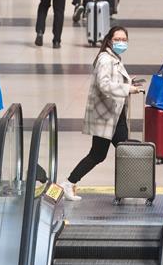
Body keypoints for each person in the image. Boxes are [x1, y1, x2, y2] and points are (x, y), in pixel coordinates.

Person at [59, 27, 143, 200]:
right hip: (107, 116)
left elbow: (111, 81)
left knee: (115, 152)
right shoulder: (105, 60)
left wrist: (128, 82)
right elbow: (104, 85)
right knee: (110, 153)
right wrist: (128, 88)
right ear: (110, 40)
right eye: (117, 39)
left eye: (124, 39)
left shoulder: (113, 57)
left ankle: (130, 188)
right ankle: (68, 183)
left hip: (115, 114)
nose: (121, 42)